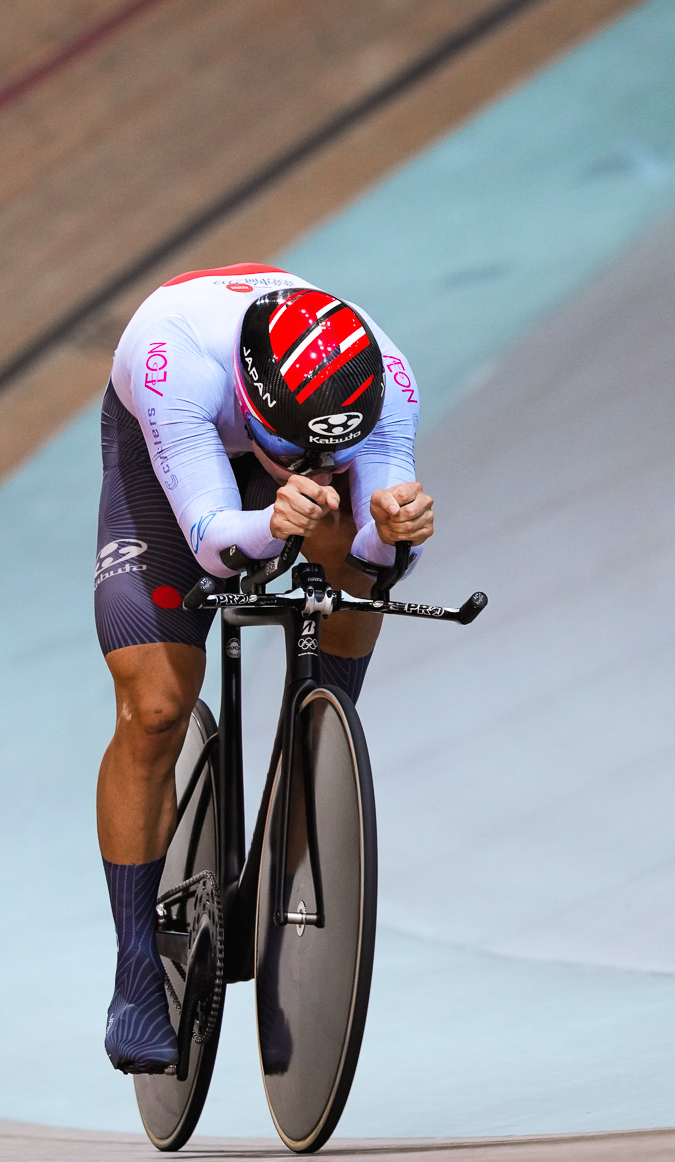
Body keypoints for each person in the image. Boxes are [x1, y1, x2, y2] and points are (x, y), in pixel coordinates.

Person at [93, 264, 434, 1073]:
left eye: (331, 445)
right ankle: (137, 969)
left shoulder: (381, 377)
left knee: (349, 559)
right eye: (292, 448)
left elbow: (381, 564)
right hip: (178, 460)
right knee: (155, 707)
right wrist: (272, 517)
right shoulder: (174, 363)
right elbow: (213, 540)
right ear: (255, 407)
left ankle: (317, 741)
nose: (305, 461)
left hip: (291, 422)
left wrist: (392, 530)